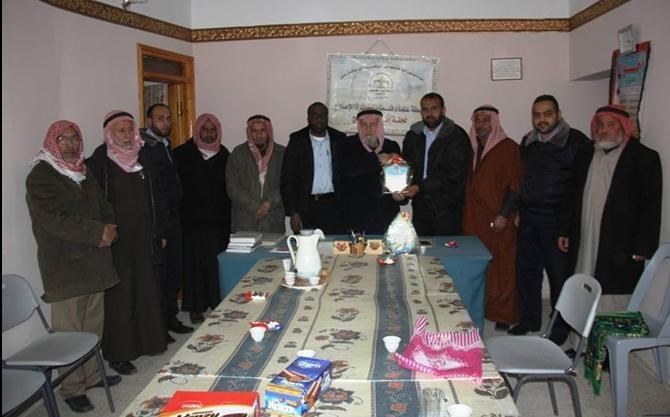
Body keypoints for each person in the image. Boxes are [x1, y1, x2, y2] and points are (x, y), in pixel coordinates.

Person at [26, 120, 122, 413]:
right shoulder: (41, 175)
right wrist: (98, 233)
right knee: (69, 331)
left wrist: (110, 226)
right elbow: (54, 220)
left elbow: (104, 204)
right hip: (65, 265)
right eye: (63, 140)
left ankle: (91, 376)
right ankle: (71, 388)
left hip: (95, 261)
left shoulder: (83, 171)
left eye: (74, 139)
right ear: (52, 142)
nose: (70, 145)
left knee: (93, 327)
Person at [86, 110, 169, 376]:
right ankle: (119, 354)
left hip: (145, 237)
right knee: (121, 298)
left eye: (129, 129)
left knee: (147, 290)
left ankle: (150, 342)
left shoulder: (144, 157)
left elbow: (158, 197)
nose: (126, 135)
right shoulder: (99, 163)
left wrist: (161, 230)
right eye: (120, 130)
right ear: (109, 133)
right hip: (117, 243)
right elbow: (92, 204)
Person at [558, 104, 662, 311]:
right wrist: (564, 229)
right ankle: (582, 332)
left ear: (624, 127)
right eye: (600, 125)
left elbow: (651, 206)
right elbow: (571, 194)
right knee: (582, 282)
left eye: (611, 125)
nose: (604, 130)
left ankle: (609, 333)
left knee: (614, 294)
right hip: (585, 235)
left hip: (620, 240)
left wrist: (644, 246)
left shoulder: (644, 158)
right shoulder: (585, 153)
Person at [509, 95, 590, 343]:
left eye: (547, 114)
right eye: (537, 114)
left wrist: (566, 228)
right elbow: (522, 178)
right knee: (527, 272)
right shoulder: (528, 141)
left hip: (556, 220)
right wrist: (519, 210)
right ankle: (529, 320)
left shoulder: (576, 142)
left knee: (559, 277)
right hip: (529, 217)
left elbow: (577, 189)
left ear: (558, 114)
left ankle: (559, 330)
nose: (542, 119)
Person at [462, 105, 522, 331]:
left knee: (502, 267)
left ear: (495, 122)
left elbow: (515, 185)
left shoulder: (509, 148)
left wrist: (504, 214)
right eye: (476, 120)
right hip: (474, 218)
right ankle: (481, 308)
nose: (480, 125)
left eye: (485, 120)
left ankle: (503, 315)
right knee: (477, 265)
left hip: (498, 219)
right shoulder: (472, 148)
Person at [140, 103, 193, 340]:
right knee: (160, 277)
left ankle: (171, 318)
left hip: (174, 219)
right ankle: (159, 326)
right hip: (159, 222)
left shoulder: (165, 145)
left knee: (174, 272)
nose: (166, 122)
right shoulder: (145, 148)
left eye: (169, 118)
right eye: (161, 118)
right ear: (149, 121)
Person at [173, 113, 231, 325]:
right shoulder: (181, 154)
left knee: (215, 266)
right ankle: (195, 308)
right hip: (191, 222)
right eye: (204, 130)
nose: (209, 134)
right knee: (193, 267)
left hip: (218, 222)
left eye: (213, 130)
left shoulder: (224, 155)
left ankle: (217, 304)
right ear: (197, 131)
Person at [399, 92, 471, 236]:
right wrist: (401, 190)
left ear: (443, 110)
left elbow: (453, 174)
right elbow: (406, 167)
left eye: (434, 108)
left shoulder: (456, 136)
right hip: (420, 206)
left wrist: (420, 187)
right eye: (425, 109)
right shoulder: (413, 135)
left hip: (447, 207)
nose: (429, 113)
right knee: (421, 247)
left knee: (445, 248)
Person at [281, 102, 347, 234]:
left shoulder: (339, 139)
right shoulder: (297, 140)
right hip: (306, 207)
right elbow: (288, 179)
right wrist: (293, 212)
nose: (319, 118)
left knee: (334, 245)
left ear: (327, 117)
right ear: (308, 118)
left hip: (334, 207)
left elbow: (347, 176)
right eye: (314, 115)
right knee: (307, 245)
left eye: (322, 115)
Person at [340, 108, 405, 234]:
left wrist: (400, 196)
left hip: (386, 215)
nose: (368, 129)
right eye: (364, 124)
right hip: (356, 216)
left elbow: (399, 179)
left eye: (373, 124)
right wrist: (378, 158)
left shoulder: (391, 146)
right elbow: (349, 171)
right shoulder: (346, 145)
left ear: (379, 126)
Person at [226, 114, 286, 233]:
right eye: (254, 131)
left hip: (272, 221)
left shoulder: (281, 154)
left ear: (268, 131)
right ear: (249, 132)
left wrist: (269, 203)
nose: (259, 135)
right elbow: (232, 187)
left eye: (262, 130)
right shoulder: (238, 154)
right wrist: (254, 206)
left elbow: (287, 184)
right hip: (245, 221)